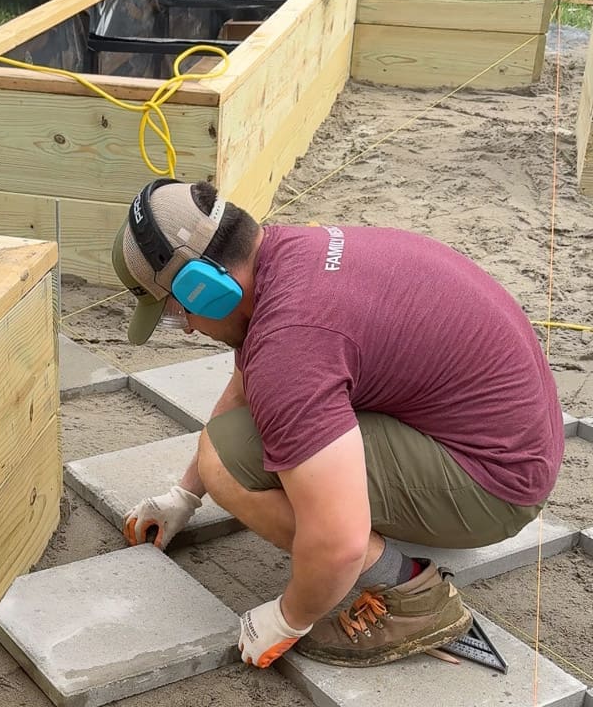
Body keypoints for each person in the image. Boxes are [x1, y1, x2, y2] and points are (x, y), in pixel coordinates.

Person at [112, 179, 565, 670]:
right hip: (505, 439)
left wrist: (288, 617)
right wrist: (186, 494)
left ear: (207, 288)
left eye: (179, 313)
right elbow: (250, 378)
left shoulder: (291, 343)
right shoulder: (288, 254)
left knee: (226, 460)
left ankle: (411, 596)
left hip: (494, 485)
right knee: (232, 442)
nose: (190, 327)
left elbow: (340, 541)